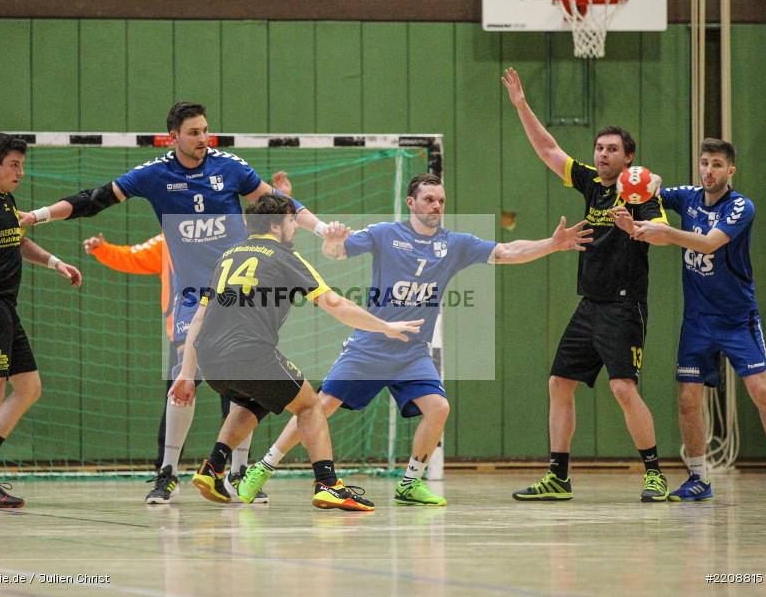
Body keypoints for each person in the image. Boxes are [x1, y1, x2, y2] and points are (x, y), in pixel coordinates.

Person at [20, 102, 332, 505]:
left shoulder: (230, 168)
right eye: (194, 132)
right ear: (173, 137)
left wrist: (323, 229)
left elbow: (281, 204)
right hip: (192, 296)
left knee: (246, 383)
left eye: (205, 130)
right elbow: (94, 199)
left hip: (240, 293)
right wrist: (38, 216)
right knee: (182, 378)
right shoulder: (154, 175)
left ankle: (237, 473)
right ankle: (167, 473)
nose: (203, 138)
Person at [239, 173, 593, 506]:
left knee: (438, 408)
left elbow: (508, 251)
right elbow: (337, 251)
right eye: (429, 199)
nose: (436, 206)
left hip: (412, 351)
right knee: (321, 406)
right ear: (411, 202)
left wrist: (553, 244)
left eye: (441, 200)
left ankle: (410, 484)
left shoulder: (455, 244)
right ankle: (264, 467)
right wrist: (331, 242)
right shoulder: (385, 234)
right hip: (370, 345)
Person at [170, 194, 424, 511]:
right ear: (277, 226)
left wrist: (187, 373)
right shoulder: (285, 257)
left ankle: (212, 468)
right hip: (250, 354)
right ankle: (328, 484)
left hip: (209, 359)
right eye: (293, 221)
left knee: (255, 399)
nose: (295, 228)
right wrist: (384, 326)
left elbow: (198, 318)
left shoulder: (228, 256)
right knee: (309, 406)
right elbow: (337, 305)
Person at [501, 67, 671, 502]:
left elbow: (662, 235)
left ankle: (654, 474)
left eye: (612, 149)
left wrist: (635, 228)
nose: (603, 154)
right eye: (599, 148)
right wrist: (522, 105)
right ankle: (558, 477)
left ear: (628, 158)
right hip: (590, 304)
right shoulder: (592, 183)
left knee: (622, 387)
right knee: (559, 382)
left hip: (624, 305)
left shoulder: (642, 192)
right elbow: (548, 149)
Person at [623, 138, 766, 501]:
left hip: (736, 318)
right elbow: (652, 191)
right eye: (705, 163)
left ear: (730, 170)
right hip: (697, 320)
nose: (709, 171)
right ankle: (698, 478)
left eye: (717, 165)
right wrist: (648, 180)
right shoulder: (689, 197)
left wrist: (667, 234)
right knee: (688, 398)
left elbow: (708, 243)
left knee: (763, 394)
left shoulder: (741, 207)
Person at [83, 230, 267, 503]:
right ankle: (167, 471)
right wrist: (103, 249)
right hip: (186, 328)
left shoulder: (232, 235)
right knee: (179, 392)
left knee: (240, 396)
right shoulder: (169, 240)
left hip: (231, 324)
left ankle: (237, 472)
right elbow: (134, 257)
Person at [0, 133, 83, 509]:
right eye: (14, 165)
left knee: (28, 387)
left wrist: (55, 262)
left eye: (22, 165)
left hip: (5, 308)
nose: (20, 172)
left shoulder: (5, 200)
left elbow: (19, 240)